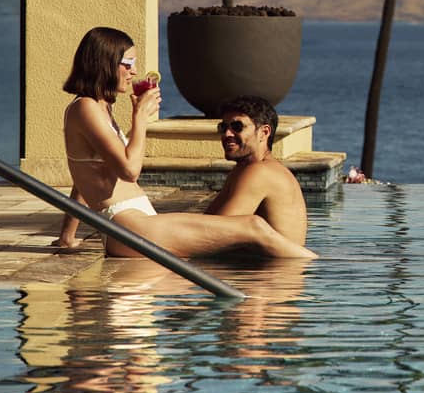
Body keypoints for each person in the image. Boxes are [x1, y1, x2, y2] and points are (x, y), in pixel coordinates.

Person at [53, 26, 315, 258]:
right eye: (128, 62)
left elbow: (85, 176)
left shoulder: (100, 108)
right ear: (105, 63)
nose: (133, 70)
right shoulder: (85, 108)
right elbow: (129, 170)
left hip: (135, 226)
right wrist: (140, 119)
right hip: (127, 226)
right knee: (254, 227)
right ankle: (319, 268)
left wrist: (68, 234)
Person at [203, 95, 308, 249]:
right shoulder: (244, 169)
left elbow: (214, 234)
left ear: (264, 133)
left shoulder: (261, 172)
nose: (227, 134)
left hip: (274, 271)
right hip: (262, 267)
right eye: (223, 127)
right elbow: (208, 222)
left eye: (237, 127)